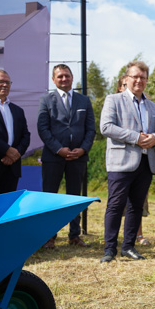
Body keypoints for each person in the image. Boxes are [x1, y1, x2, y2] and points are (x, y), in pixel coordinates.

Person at [99, 61, 155, 263]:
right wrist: (135, 137)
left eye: (142, 77)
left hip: (145, 162)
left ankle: (129, 247)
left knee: (136, 206)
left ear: (146, 81)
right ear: (126, 79)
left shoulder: (152, 106)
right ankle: (110, 249)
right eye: (134, 76)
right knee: (116, 205)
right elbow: (106, 127)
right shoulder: (113, 99)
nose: (138, 80)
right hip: (121, 161)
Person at [37, 64, 95, 247]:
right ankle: (48, 237)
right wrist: (58, 149)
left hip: (78, 158)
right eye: (60, 76)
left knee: (75, 198)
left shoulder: (84, 101)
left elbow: (91, 129)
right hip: (53, 157)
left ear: (72, 77)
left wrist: (83, 149)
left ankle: (74, 235)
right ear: (53, 79)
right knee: (49, 198)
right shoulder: (46, 100)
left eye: (67, 76)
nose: (64, 79)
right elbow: (43, 128)